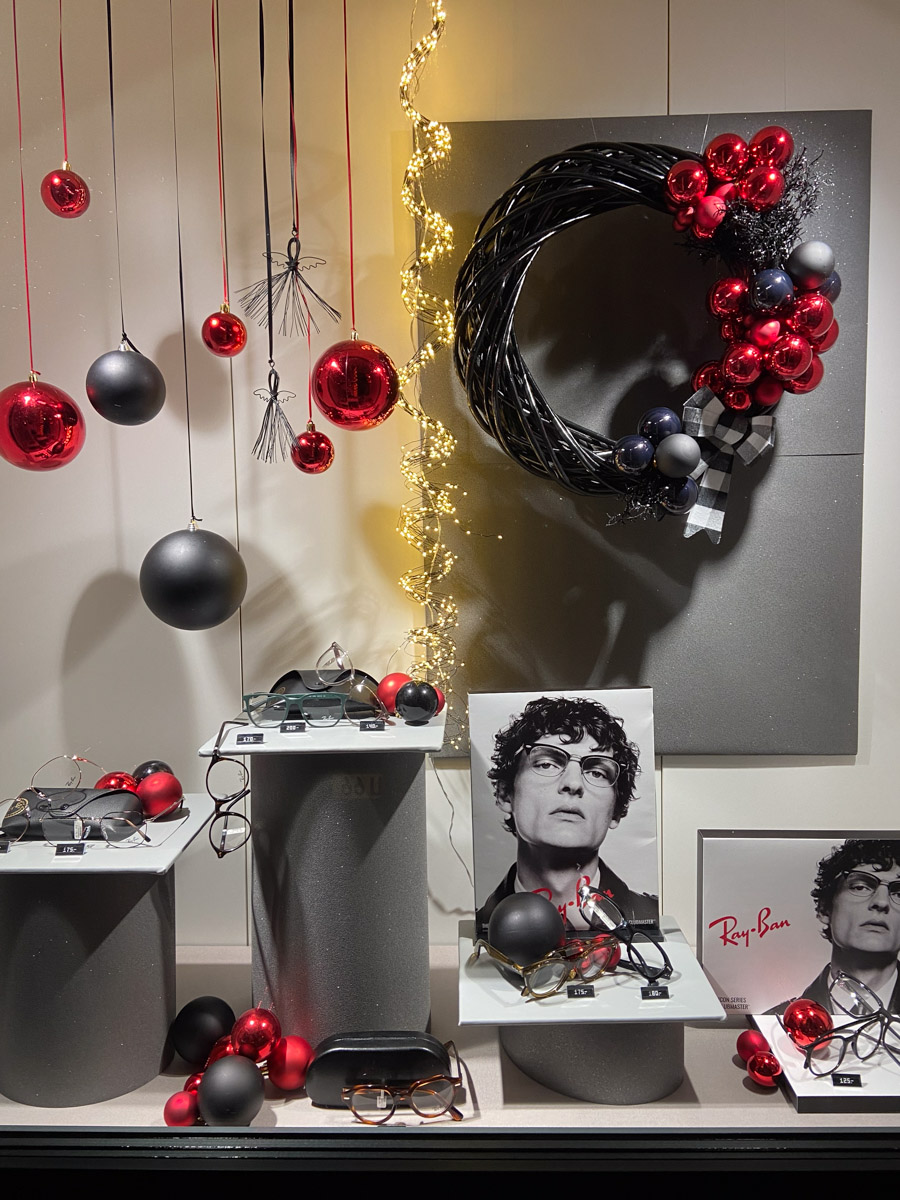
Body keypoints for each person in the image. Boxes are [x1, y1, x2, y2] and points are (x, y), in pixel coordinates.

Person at [475, 695, 658, 936]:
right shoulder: (482, 924)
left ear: (617, 810)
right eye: (546, 764)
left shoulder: (648, 916)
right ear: (504, 794)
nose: (573, 783)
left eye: (596, 772)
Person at [767, 838, 900, 1016]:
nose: (881, 902)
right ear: (824, 909)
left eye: (899, 893)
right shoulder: (772, 1023)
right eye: (860, 887)